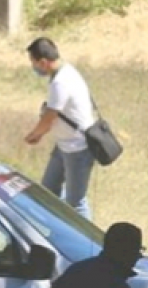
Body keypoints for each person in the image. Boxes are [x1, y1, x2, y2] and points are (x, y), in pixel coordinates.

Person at [24, 36, 96, 220]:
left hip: (77, 148)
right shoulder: (65, 72)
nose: (33, 68)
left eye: (33, 63)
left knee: (76, 202)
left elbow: (50, 116)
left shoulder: (60, 82)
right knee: (49, 193)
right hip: (64, 144)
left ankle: (89, 243)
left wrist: (35, 135)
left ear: (43, 62)